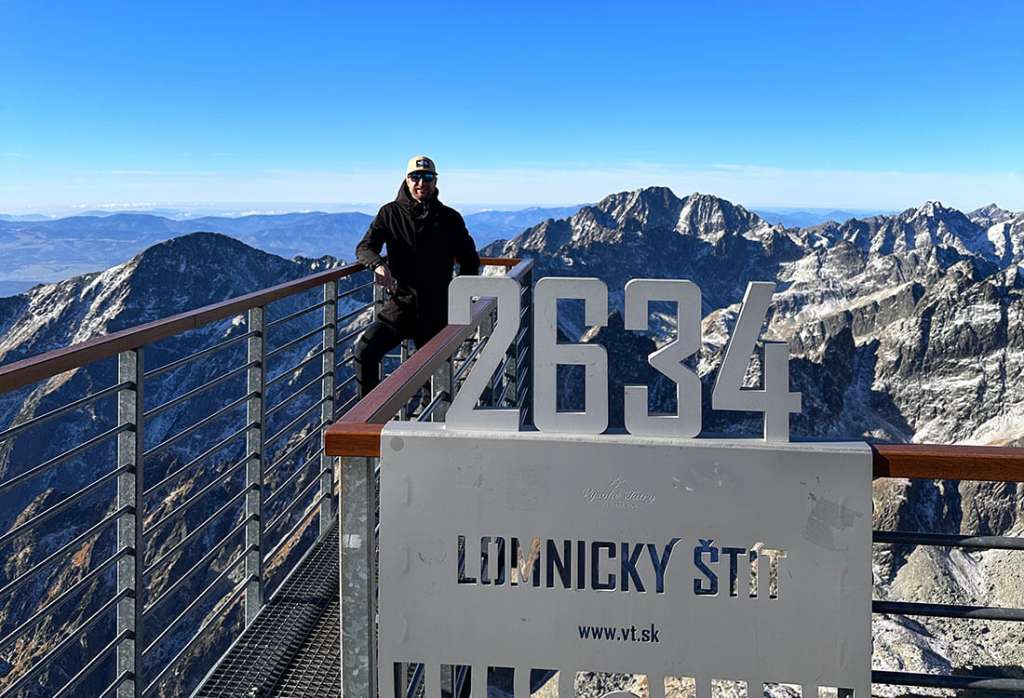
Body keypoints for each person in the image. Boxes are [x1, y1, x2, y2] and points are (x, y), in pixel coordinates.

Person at [354, 155, 481, 397]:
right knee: (366, 350)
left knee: (432, 378)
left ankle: (428, 426)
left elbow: (469, 260)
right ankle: (367, 421)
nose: (421, 182)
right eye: (415, 177)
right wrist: (378, 264)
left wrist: (460, 298)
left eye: (427, 177)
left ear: (435, 181)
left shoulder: (450, 218)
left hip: (437, 309)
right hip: (400, 305)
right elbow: (364, 247)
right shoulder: (389, 213)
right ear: (406, 179)